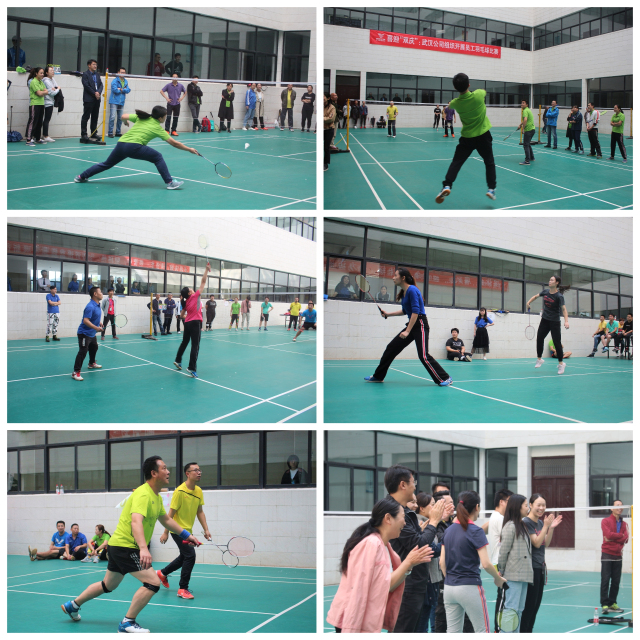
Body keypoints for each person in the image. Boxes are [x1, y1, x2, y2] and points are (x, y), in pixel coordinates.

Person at [60, 456, 200, 633]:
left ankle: (73, 605)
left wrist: (188, 535)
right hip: (126, 547)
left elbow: (166, 520)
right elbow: (136, 522)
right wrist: (143, 548)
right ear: (153, 473)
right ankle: (127, 623)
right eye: (164, 468)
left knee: (107, 585)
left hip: (118, 546)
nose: (168, 471)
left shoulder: (156, 497)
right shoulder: (143, 494)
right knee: (153, 582)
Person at [327, 496, 433, 633]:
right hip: (350, 618)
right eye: (402, 517)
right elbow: (361, 588)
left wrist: (410, 564)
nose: (405, 523)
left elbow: (387, 585)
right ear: (388, 518)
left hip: (365, 619)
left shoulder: (383, 545)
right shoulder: (371, 544)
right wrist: (408, 562)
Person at [364, 268, 452, 386]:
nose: (393, 277)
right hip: (412, 324)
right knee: (391, 348)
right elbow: (405, 311)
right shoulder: (404, 292)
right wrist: (388, 314)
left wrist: (407, 331)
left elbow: (416, 312)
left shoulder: (412, 290)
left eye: (395, 275)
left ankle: (445, 378)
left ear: (403, 278)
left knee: (423, 355)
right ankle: (378, 376)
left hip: (420, 324)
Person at [74, 106, 197, 189]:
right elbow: (174, 143)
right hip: (134, 147)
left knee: (106, 164)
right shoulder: (158, 128)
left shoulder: (142, 117)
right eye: (165, 116)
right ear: (160, 118)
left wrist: (125, 122)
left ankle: (81, 177)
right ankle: (170, 182)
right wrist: (189, 149)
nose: (165, 118)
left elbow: (123, 116)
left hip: (121, 144)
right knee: (158, 157)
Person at [440, 490, 507, 633]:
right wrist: (498, 578)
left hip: (449, 588)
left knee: (452, 632)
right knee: (482, 631)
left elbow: (442, 563)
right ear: (477, 507)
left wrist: (451, 580)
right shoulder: (476, 531)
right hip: (469, 587)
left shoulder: (448, 530)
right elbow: (486, 564)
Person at [386, 465, 440, 633]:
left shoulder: (404, 512)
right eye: (413, 482)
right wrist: (434, 522)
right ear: (403, 485)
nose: (415, 486)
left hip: (413, 583)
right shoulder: (393, 511)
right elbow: (419, 545)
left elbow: (418, 543)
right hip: (406, 585)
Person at [436, 74, 496, 203]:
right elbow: (483, 91)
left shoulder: (455, 103)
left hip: (467, 138)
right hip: (483, 135)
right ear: (469, 84)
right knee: (489, 162)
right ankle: (491, 189)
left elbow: (449, 106)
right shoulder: (478, 95)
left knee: (457, 162)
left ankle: (447, 185)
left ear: (455, 88)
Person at [157, 462, 211, 600]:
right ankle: (182, 588)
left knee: (184, 557)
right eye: (195, 470)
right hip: (177, 529)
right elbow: (170, 514)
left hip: (188, 531)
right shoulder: (180, 491)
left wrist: (206, 529)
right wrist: (165, 532)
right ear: (187, 473)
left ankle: (162, 573)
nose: (199, 472)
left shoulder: (198, 491)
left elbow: (200, 511)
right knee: (190, 555)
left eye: (200, 470)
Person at [520, 494, 563, 632]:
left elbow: (546, 543)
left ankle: (529, 631)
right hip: (530, 568)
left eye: (543, 505)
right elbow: (536, 543)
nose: (541, 508)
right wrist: (546, 526)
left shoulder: (540, 523)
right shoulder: (526, 522)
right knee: (529, 605)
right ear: (531, 505)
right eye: (538, 505)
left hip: (540, 567)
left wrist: (551, 528)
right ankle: (524, 631)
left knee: (536, 605)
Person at [497, 494, 534, 632]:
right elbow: (503, 552)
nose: (528, 508)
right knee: (511, 609)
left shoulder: (522, 525)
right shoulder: (510, 526)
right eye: (526, 505)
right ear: (518, 507)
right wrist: (501, 570)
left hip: (524, 575)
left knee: (519, 610)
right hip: (513, 575)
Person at [526, 275, 570, 374]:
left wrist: (566, 321)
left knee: (557, 343)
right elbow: (536, 296)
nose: (549, 281)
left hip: (555, 321)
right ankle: (539, 359)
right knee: (539, 338)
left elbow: (564, 309)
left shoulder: (559, 296)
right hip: (545, 320)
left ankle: (561, 364)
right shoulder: (545, 292)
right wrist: (528, 302)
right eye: (549, 280)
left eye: (552, 280)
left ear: (557, 283)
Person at [174, 263, 210, 377]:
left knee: (184, 342)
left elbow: (181, 315)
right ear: (190, 293)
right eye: (190, 289)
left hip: (187, 323)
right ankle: (191, 368)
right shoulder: (195, 296)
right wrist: (206, 270)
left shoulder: (186, 302)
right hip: (195, 323)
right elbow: (203, 281)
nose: (192, 289)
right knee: (195, 345)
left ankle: (178, 360)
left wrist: (189, 317)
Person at [487, 489, 514, 633]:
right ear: (501, 502)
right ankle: (498, 629)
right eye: (510, 501)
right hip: (500, 561)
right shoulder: (499, 518)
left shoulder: (496, 517)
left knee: (503, 595)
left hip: (499, 561)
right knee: (503, 596)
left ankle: (500, 627)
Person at [414, 493, 442, 633]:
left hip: (432, 576)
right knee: (424, 619)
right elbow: (432, 550)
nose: (435, 507)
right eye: (432, 504)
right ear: (422, 508)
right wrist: (449, 540)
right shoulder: (421, 523)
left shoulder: (429, 523)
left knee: (428, 614)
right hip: (427, 578)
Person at [600, 500, 629, 615]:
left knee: (616, 581)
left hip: (618, 555)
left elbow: (626, 539)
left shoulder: (625, 524)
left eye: (621, 506)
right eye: (617, 506)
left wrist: (613, 538)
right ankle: (605, 604)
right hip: (607, 554)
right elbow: (608, 535)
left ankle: (612, 603)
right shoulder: (605, 521)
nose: (620, 508)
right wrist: (620, 536)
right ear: (611, 508)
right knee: (605, 580)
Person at [72, 286, 104, 381]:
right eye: (100, 292)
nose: (102, 293)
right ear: (95, 294)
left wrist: (99, 323)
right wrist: (96, 328)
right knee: (83, 351)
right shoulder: (90, 306)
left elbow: (94, 317)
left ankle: (91, 363)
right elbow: (85, 320)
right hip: (84, 333)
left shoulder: (97, 305)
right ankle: (75, 372)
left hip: (91, 333)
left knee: (94, 347)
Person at [81, 60, 103, 142]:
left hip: (97, 99)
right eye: (93, 64)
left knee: (95, 116)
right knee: (86, 116)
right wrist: (94, 93)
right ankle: (84, 134)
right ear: (89, 65)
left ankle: (94, 133)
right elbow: (86, 85)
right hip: (89, 99)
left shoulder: (97, 75)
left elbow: (101, 85)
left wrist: (98, 92)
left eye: (96, 64)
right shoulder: (85, 74)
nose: (95, 66)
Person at [25, 67, 48, 146]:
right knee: (33, 121)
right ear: (36, 73)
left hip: (41, 103)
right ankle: (28, 140)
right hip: (35, 104)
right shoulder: (33, 82)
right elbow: (39, 93)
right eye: (41, 73)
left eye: (43, 73)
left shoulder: (41, 82)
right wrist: (43, 92)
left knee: (39, 122)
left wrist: (43, 92)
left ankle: (37, 138)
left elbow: (46, 91)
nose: (42, 74)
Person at [108, 67, 130, 138]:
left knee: (120, 118)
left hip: (121, 102)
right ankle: (110, 132)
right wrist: (123, 90)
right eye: (121, 72)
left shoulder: (126, 81)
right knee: (112, 117)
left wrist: (121, 89)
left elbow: (128, 90)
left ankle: (118, 132)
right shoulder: (114, 81)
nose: (123, 73)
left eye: (124, 72)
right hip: (114, 101)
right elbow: (115, 90)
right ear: (118, 72)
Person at [42, 65, 61, 143]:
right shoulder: (46, 81)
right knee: (46, 119)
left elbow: (55, 87)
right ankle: (45, 136)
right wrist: (57, 89)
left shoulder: (52, 79)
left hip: (51, 102)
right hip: (47, 102)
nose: (53, 72)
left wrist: (55, 89)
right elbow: (52, 93)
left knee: (47, 119)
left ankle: (44, 135)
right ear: (46, 73)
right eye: (51, 71)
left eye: (53, 71)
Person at [518, 98, 536, 165]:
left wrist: (523, 129)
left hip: (528, 130)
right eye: (521, 103)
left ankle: (527, 161)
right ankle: (532, 157)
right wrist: (520, 124)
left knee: (526, 145)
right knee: (528, 144)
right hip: (532, 129)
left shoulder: (525, 111)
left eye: (523, 103)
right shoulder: (528, 110)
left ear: (527, 105)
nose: (522, 104)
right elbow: (526, 120)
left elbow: (525, 120)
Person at [324, 93, 336, 171]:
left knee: (326, 147)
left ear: (328, 98)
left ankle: (325, 163)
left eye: (323, 96)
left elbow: (330, 118)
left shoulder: (332, 108)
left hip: (329, 129)